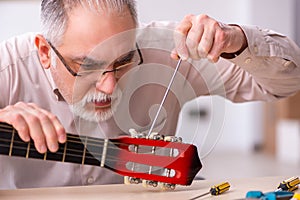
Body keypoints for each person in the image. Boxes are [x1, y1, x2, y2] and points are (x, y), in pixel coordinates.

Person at [0, 0, 300, 189]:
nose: (109, 86)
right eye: (87, 66)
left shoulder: (168, 49)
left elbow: (286, 84)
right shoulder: (9, 66)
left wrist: (237, 40)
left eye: (123, 61)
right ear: (44, 52)